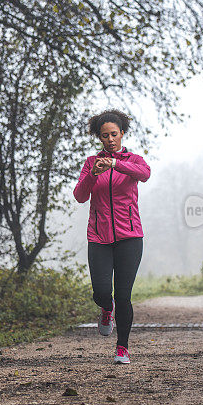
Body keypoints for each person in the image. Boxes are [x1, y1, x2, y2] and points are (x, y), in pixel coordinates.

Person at [73, 109, 151, 364]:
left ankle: (122, 348)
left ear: (122, 134)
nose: (110, 139)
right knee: (101, 292)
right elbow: (80, 196)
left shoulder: (133, 160)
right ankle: (106, 309)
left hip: (130, 236)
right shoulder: (90, 163)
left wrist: (117, 163)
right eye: (105, 136)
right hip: (99, 237)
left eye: (114, 134)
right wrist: (94, 173)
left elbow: (145, 174)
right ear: (99, 138)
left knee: (124, 295)